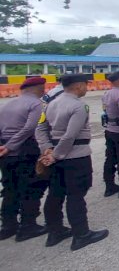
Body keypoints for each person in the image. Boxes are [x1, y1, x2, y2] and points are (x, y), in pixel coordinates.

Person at [36, 74, 109, 250]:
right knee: (76, 195)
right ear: (78, 86)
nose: (86, 88)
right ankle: (81, 234)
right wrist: (56, 154)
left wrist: (47, 149)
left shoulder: (51, 104)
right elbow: (70, 135)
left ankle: (55, 231)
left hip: (55, 155)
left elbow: (41, 128)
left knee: (55, 193)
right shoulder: (78, 106)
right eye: (85, 85)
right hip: (75, 157)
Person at [0, 77, 48, 242]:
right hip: (24, 152)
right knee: (31, 188)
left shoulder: (9, 103)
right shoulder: (36, 104)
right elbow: (30, 128)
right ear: (40, 89)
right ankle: (28, 226)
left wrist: (5, 146)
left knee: (10, 189)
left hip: (6, 155)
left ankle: (8, 225)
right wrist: (12, 145)